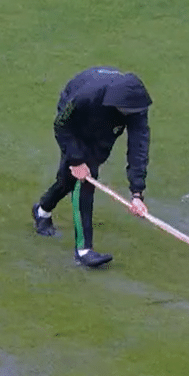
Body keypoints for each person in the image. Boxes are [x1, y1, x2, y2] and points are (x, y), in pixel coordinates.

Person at [32, 67, 152, 267]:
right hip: (76, 121)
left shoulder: (136, 107)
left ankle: (42, 210)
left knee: (68, 178)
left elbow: (138, 147)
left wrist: (137, 192)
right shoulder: (85, 97)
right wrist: (77, 160)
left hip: (105, 125)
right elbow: (61, 125)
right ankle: (84, 250)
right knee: (85, 177)